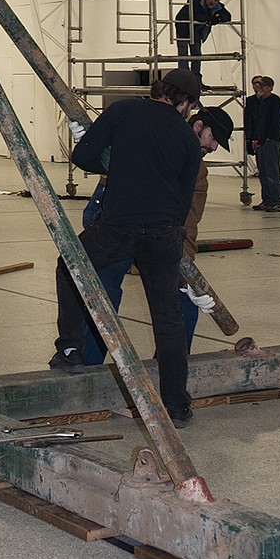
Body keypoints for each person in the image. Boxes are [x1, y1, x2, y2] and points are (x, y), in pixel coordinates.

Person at [50, 68, 202, 427]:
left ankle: (70, 349)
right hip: (164, 232)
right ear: (186, 103)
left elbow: (83, 157)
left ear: (160, 90)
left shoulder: (124, 110)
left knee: (70, 267)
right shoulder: (186, 136)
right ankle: (177, 405)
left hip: (119, 226)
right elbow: (183, 201)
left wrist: (118, 164)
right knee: (168, 318)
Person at [79, 104, 234, 364]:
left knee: (183, 302)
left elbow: (190, 217)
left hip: (160, 234)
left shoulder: (198, 169)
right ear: (198, 126)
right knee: (103, 292)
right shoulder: (152, 134)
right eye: (214, 138)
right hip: (121, 223)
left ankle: (172, 367)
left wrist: (187, 271)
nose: (215, 147)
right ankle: (83, 364)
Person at [245, 74, 280, 211]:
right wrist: (256, 139)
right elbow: (259, 124)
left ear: (269, 88)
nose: (259, 88)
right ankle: (267, 200)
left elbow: (277, 122)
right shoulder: (261, 102)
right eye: (258, 85)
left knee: (272, 172)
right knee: (263, 172)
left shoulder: (274, 101)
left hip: (270, 141)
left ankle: (277, 201)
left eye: (262, 86)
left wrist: (270, 138)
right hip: (262, 142)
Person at [174, 0, 231, 84]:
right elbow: (196, 15)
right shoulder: (195, 0)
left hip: (196, 31)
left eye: (216, 0)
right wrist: (211, 18)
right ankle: (184, 80)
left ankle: (195, 81)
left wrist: (217, 18)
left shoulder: (217, 6)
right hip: (183, 29)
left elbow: (227, 16)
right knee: (183, 56)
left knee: (196, 56)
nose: (213, 2)